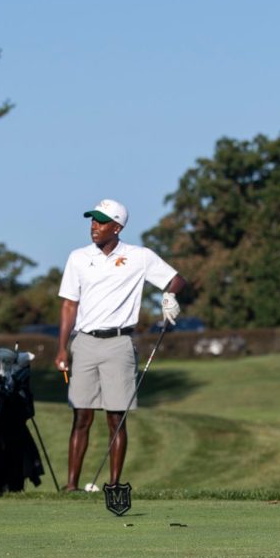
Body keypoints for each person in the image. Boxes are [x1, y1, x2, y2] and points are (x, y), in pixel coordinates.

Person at [54, 198, 186, 492]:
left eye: (101, 222)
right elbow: (68, 306)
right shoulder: (78, 257)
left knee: (116, 417)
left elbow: (176, 280)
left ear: (117, 227)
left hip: (119, 343)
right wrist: (62, 348)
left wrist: (169, 296)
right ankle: (71, 486)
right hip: (85, 343)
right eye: (92, 220)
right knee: (81, 415)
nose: (94, 226)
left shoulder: (140, 256)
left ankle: (114, 485)